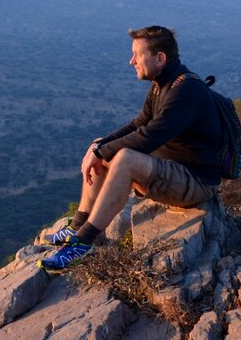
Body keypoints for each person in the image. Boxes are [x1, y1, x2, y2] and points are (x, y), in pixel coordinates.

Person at [39, 25, 223, 272]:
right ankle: (78, 225)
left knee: (123, 157)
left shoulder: (186, 90)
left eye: (137, 54)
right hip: (174, 171)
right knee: (102, 144)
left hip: (197, 183)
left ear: (160, 58)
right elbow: (138, 124)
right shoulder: (161, 84)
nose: (131, 61)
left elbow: (148, 138)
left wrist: (101, 152)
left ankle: (83, 243)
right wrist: (98, 148)